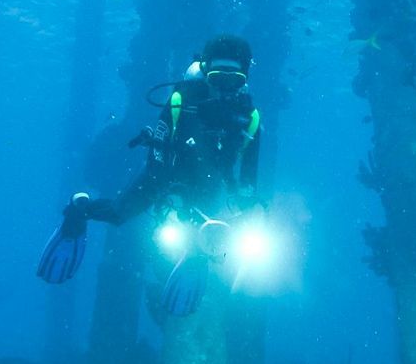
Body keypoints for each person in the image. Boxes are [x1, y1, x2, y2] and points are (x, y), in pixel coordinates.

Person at [37, 33, 263, 317]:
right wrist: (169, 197)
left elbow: (248, 177)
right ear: (206, 73)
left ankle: (199, 251)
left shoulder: (250, 118)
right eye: (219, 78)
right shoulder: (182, 100)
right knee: (120, 213)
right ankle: (78, 211)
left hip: (211, 182)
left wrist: (247, 204)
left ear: (245, 78)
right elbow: (158, 156)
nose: (225, 89)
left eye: (235, 81)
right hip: (166, 174)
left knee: (218, 228)